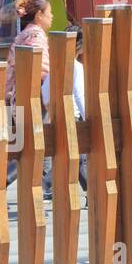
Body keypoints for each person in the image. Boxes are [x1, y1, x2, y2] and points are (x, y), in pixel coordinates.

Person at [43, 25, 89, 200]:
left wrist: (51, 109)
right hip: (74, 117)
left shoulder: (58, 64)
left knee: (65, 154)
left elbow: (45, 90)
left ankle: (48, 185)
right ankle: (90, 193)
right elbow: (78, 94)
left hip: (59, 115)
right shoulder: (76, 67)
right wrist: (87, 117)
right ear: (79, 45)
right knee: (79, 159)